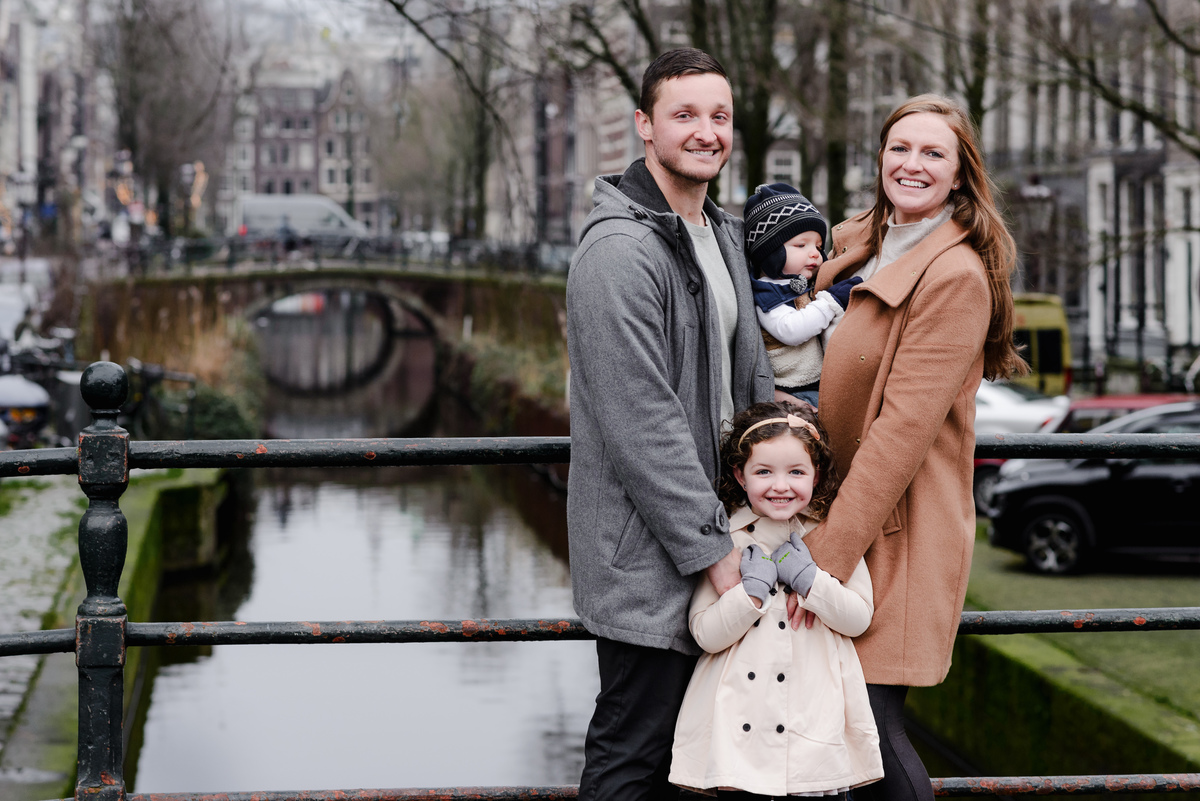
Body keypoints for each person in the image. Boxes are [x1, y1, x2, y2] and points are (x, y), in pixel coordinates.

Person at [798, 94, 1028, 801]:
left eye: (934, 153)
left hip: (896, 529)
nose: (913, 164)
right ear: (880, 159)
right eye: (900, 148)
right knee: (839, 731)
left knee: (872, 728)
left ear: (961, 175)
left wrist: (824, 560)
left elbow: (900, 433)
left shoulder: (954, 277)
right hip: (842, 517)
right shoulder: (856, 243)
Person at [565, 48, 773, 801]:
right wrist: (717, 556)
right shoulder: (619, 251)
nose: (706, 132)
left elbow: (748, 382)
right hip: (649, 561)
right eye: (685, 115)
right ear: (645, 126)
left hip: (719, 537)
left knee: (702, 764)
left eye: (718, 116)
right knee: (634, 754)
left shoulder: (719, 232)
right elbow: (642, 425)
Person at [670, 401, 884, 800]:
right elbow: (704, 633)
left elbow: (858, 618)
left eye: (796, 472)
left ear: (816, 476)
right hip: (740, 726)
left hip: (812, 719)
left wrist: (810, 581)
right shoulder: (727, 542)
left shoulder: (831, 538)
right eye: (764, 472)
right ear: (740, 474)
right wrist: (749, 594)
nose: (780, 485)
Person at [742, 184, 862, 408]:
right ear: (770, 251)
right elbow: (792, 330)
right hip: (792, 391)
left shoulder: (799, 283)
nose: (815, 253)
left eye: (818, 245)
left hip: (814, 385)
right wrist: (831, 302)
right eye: (801, 244)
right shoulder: (767, 292)